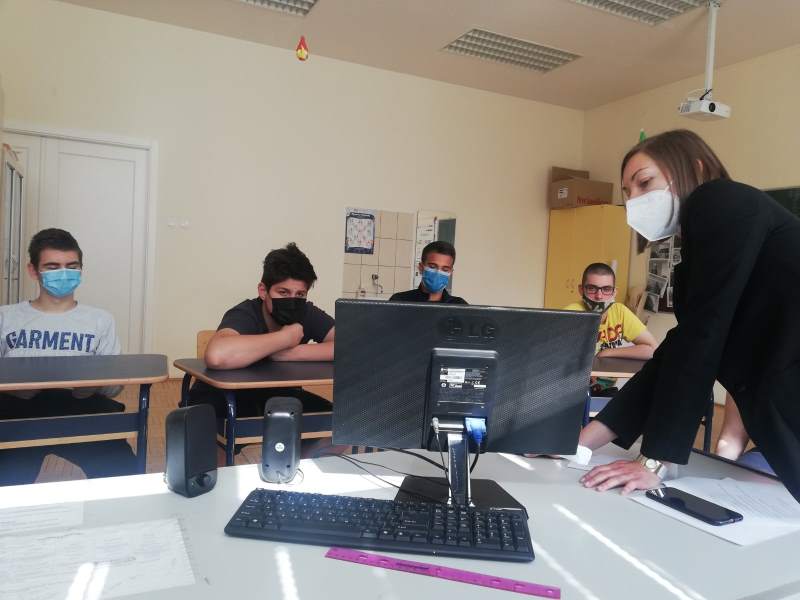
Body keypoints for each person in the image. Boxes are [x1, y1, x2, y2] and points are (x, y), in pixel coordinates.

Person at [578, 129, 800, 501]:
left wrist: (654, 460)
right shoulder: (699, 250)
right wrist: (582, 443)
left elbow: (703, 335)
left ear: (694, 168)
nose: (634, 200)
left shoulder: (720, 199)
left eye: (645, 182)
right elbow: (678, 350)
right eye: (627, 192)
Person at [0, 228, 137, 485]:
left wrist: (93, 386)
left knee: (124, 476)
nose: (63, 273)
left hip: (82, 412)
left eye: (71, 266)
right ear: (33, 271)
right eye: (52, 267)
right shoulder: (6, 317)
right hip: (17, 415)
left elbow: (114, 387)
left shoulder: (100, 320)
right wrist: (13, 388)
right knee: (9, 484)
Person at [189, 242, 335, 426]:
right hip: (222, 399)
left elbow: (349, 345)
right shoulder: (245, 313)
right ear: (263, 291)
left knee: (339, 424)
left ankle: (288, 449)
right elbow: (216, 356)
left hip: (278, 397)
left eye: (300, 294)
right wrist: (285, 338)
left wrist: (290, 353)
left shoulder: (306, 313)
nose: (292, 301)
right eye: (283, 292)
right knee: (211, 432)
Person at [565, 262, 657, 361]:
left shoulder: (619, 311)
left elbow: (654, 349)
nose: (599, 296)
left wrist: (607, 352)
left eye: (606, 289)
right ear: (581, 290)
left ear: (614, 292)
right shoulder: (571, 314)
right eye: (591, 288)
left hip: (607, 369)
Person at [389, 241, 467, 304]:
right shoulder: (400, 301)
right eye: (432, 267)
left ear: (450, 272)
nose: (438, 273)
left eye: (445, 269)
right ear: (421, 268)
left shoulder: (459, 305)